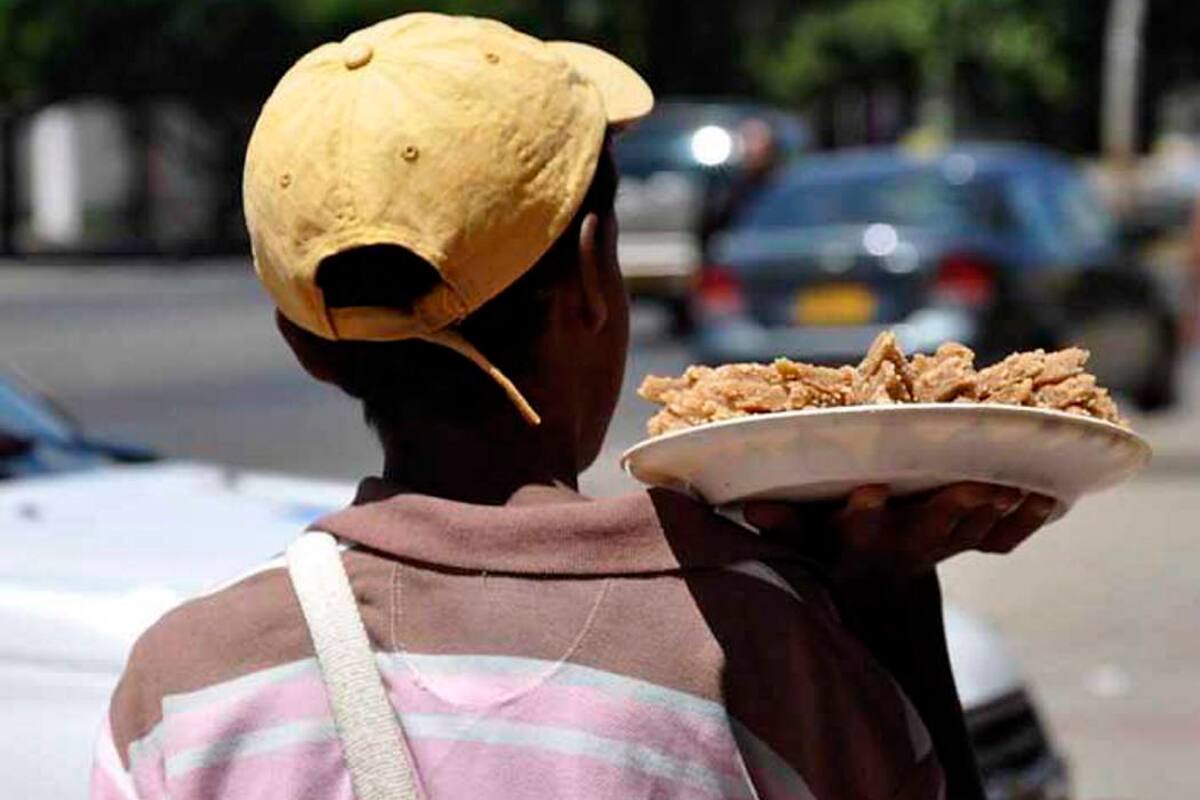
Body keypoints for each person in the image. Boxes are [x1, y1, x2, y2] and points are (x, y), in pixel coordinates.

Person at [91, 13, 1057, 800]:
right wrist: (889, 606)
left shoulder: (182, 684)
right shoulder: (754, 649)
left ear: (301, 343)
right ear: (595, 273)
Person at [699, 117, 783, 257]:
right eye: (747, 139)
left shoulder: (784, 184)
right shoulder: (726, 188)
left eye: (757, 140)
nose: (752, 148)